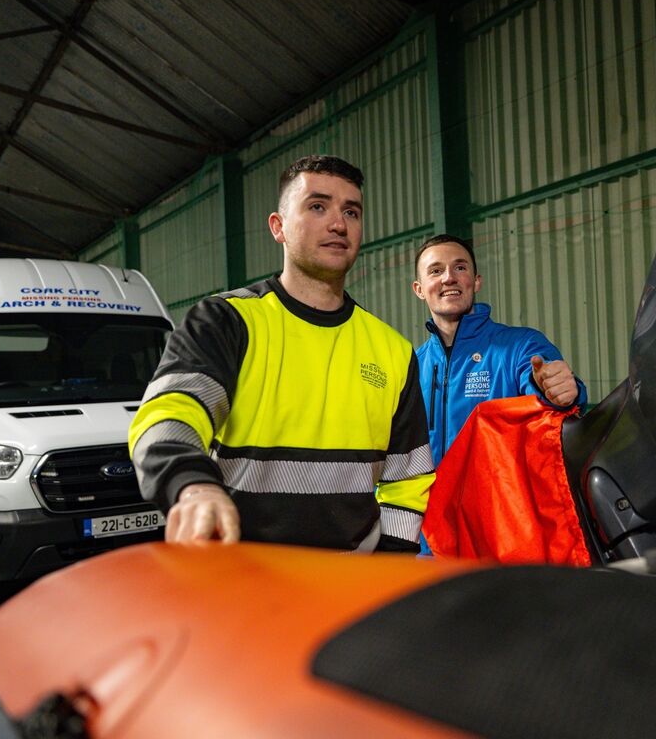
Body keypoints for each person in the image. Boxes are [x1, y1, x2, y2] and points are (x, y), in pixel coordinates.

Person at [129, 155, 434, 552]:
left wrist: (387, 566)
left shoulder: (392, 349)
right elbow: (169, 412)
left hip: (348, 585)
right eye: (317, 206)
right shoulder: (226, 321)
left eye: (352, 212)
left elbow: (407, 481)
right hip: (241, 579)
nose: (339, 224)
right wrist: (193, 484)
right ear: (279, 227)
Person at [412, 233, 588, 468]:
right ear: (419, 289)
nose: (449, 278)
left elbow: (546, 391)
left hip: (500, 502)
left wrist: (559, 391)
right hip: (431, 505)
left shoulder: (520, 346)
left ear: (476, 281)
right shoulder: (409, 368)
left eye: (460, 267)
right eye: (435, 271)